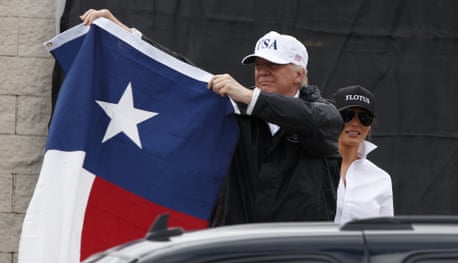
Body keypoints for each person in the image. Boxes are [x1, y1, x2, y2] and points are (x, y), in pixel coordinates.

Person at [80, 9, 343, 225]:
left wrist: (249, 98)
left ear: (299, 74)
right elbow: (181, 74)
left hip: (297, 256)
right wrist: (126, 35)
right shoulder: (237, 108)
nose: (262, 72)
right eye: (258, 66)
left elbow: (311, 120)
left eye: (273, 65)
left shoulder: (322, 115)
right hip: (235, 249)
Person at [331, 85, 394, 224]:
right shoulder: (313, 167)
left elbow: (385, 236)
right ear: (332, 118)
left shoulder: (381, 179)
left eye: (364, 118)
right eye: (347, 115)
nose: (355, 123)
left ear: (371, 125)